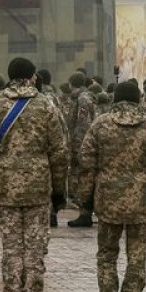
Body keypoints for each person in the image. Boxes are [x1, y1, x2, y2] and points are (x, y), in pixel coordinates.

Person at [0, 58, 69, 292]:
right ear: (32, 76)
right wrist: (59, 189)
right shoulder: (46, 105)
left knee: (12, 246)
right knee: (35, 247)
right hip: (39, 186)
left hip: (6, 186)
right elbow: (59, 152)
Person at [78, 82, 146, 292]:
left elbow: (87, 163)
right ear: (138, 99)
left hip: (107, 200)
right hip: (141, 200)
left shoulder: (101, 125)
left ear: (115, 99)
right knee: (137, 256)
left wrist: (84, 197)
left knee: (107, 254)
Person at [66, 71, 98, 228]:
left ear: (72, 83)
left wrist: (78, 148)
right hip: (84, 144)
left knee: (84, 179)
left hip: (82, 145)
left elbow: (83, 125)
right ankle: (85, 212)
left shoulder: (83, 99)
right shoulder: (83, 97)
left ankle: (85, 213)